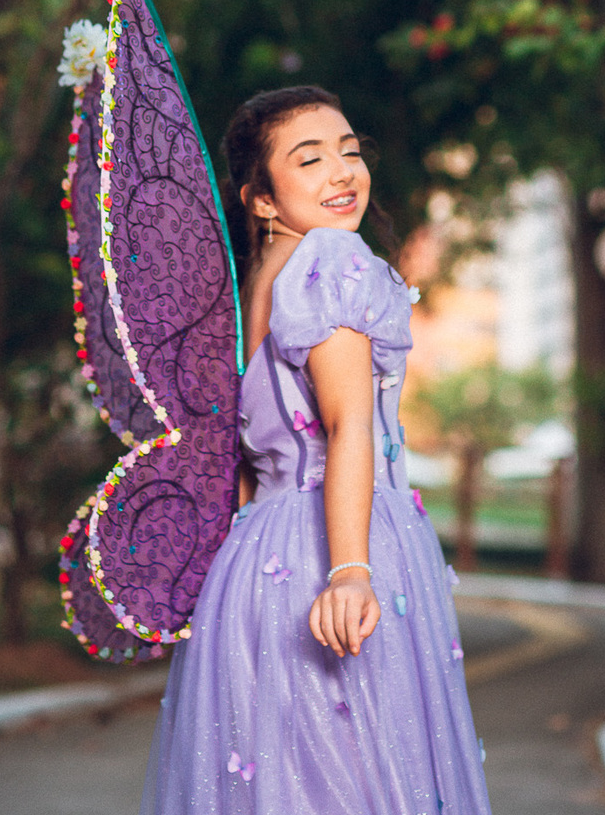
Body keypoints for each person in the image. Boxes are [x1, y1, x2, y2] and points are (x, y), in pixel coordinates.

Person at [143, 85, 493, 815]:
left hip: (251, 566)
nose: (342, 173)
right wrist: (352, 571)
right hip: (335, 548)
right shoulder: (333, 261)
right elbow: (348, 429)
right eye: (310, 160)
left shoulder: (246, 297)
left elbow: (241, 464)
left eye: (350, 152)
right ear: (262, 200)